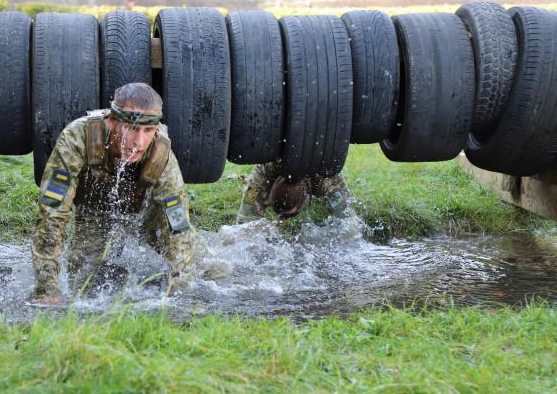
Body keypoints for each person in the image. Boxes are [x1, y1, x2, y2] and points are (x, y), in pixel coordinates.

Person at [30, 83, 195, 303]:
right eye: (132, 128)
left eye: (148, 131)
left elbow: (178, 227)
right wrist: (46, 289)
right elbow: (51, 213)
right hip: (93, 212)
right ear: (112, 122)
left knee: (199, 265)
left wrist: (180, 293)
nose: (139, 142)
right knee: (81, 279)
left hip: (147, 216)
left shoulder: (161, 154)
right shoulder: (78, 137)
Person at [236, 160, 353, 224]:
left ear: (307, 197)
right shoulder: (262, 175)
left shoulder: (323, 172)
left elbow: (347, 217)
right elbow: (243, 222)